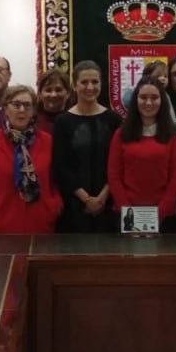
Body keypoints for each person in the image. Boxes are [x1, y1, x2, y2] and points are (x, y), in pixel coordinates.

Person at [0, 85, 62, 233]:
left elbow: (55, 181)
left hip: (41, 224)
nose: (22, 110)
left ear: (33, 111)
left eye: (27, 105)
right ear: (5, 108)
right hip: (0, 226)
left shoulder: (48, 141)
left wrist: (54, 206)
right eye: (16, 104)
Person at [53, 61, 123, 232]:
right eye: (84, 82)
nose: (90, 87)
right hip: (74, 204)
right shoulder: (62, 121)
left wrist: (102, 197)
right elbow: (61, 165)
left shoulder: (114, 120)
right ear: (74, 86)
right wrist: (86, 199)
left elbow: (118, 162)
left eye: (95, 82)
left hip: (108, 202)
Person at [107, 76, 176, 224]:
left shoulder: (172, 136)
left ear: (162, 101)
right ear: (135, 100)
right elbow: (114, 176)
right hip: (126, 215)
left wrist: (158, 214)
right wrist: (128, 212)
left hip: (164, 216)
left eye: (154, 97)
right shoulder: (121, 134)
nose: (148, 102)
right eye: (143, 97)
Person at [36, 68, 72, 135]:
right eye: (48, 90)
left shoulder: (76, 118)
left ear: (68, 93)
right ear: (39, 94)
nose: (53, 95)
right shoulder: (31, 120)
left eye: (58, 90)